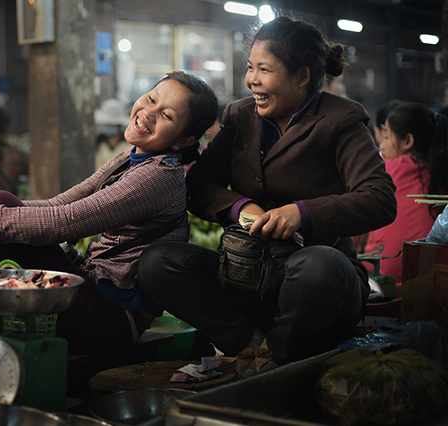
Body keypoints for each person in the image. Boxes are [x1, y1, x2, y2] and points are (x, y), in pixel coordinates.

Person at [138, 16, 397, 374]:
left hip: (319, 294)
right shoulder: (239, 116)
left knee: (319, 265)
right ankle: (249, 345)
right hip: (246, 277)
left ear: (302, 76)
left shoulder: (341, 119)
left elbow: (380, 198)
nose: (251, 80)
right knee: (157, 262)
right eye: (250, 68)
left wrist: (302, 214)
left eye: (264, 69)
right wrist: (241, 207)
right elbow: (198, 185)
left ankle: (276, 354)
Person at [0, 71, 219, 351]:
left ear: (185, 140)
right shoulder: (131, 156)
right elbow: (58, 204)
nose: (148, 113)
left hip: (112, 318)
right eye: (151, 99)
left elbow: (66, 222)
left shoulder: (159, 175)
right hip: (93, 292)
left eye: (167, 115)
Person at [363, 102, 448, 296]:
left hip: (390, 287)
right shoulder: (441, 172)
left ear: (408, 141)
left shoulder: (388, 168)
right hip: (436, 286)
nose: (381, 146)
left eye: (386, 137)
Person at [94, 98, 131, 170]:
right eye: (106, 124)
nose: (108, 127)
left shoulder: (129, 146)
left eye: (112, 125)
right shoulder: (97, 144)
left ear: (119, 126)